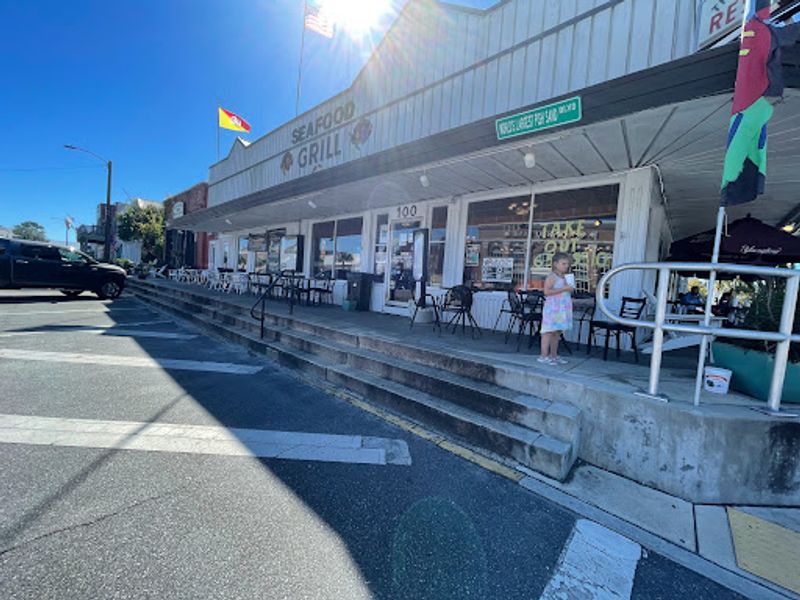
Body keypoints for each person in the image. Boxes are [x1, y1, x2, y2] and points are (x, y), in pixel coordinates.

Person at [538, 252, 574, 365]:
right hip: (553, 307)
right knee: (548, 331)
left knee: (557, 332)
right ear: (555, 264)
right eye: (563, 264)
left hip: (562, 307)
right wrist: (564, 289)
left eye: (567, 264)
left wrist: (570, 288)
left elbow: (568, 290)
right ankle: (543, 355)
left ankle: (553, 355)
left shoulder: (565, 277)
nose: (566, 266)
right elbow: (546, 292)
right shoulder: (551, 277)